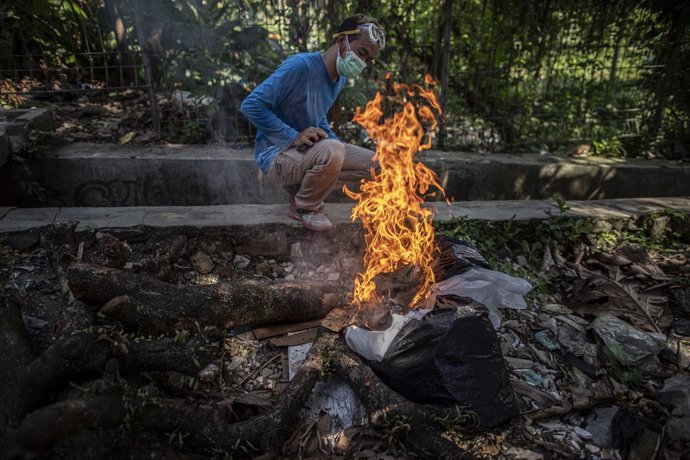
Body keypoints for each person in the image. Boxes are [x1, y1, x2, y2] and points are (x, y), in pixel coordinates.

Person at [240, 14, 385, 231]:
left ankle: (304, 188)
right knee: (333, 150)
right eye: (362, 52)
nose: (363, 62)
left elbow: (318, 116)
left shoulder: (339, 78)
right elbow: (250, 105)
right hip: (275, 157)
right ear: (342, 40)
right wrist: (292, 136)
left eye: (368, 59)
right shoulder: (300, 66)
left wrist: (332, 145)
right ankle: (304, 207)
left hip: (307, 153)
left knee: (378, 165)